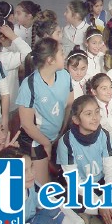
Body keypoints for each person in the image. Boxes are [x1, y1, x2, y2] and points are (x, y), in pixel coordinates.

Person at [57, 95, 112, 224]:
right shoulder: (66, 143)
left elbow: (111, 169)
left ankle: (96, 212)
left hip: (101, 184)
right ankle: (109, 210)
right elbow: (74, 182)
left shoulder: (104, 135)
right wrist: (100, 204)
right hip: (82, 190)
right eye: (88, 114)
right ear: (75, 119)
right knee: (64, 198)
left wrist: (107, 199)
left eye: (97, 112)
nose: (95, 117)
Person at [16, 37, 74, 185]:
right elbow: (27, 124)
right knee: (42, 186)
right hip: (37, 140)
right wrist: (46, 143)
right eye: (61, 53)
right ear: (50, 60)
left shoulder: (65, 75)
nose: (65, 56)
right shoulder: (29, 85)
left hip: (57, 135)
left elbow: (69, 105)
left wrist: (61, 134)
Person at [0, 17, 32, 113]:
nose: (12, 37)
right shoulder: (4, 58)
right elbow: (28, 53)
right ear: (2, 38)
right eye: (11, 34)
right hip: (6, 106)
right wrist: (14, 37)